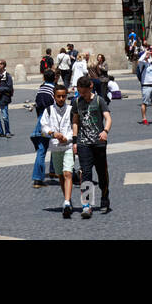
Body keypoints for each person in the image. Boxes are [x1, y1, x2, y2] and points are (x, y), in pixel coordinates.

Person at [72, 74, 112, 217]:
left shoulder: (99, 100)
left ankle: (105, 197)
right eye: (79, 92)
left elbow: (108, 118)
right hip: (83, 143)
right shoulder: (77, 102)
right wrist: (75, 141)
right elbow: (75, 121)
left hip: (99, 143)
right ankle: (86, 205)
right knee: (86, 173)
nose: (82, 95)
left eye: (84, 92)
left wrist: (105, 131)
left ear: (90, 87)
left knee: (102, 173)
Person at [40, 83, 77, 218]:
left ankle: (66, 202)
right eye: (58, 96)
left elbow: (75, 126)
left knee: (68, 173)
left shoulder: (72, 109)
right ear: (54, 97)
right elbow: (43, 127)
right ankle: (67, 198)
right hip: (55, 147)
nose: (61, 99)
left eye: (63, 96)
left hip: (67, 145)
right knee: (61, 175)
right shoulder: (49, 110)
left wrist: (67, 138)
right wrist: (52, 133)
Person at [30, 68, 55, 186]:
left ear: (44, 78)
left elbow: (37, 105)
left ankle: (37, 179)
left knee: (41, 150)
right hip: (52, 121)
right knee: (57, 146)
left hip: (41, 120)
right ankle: (54, 171)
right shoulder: (53, 90)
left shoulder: (40, 90)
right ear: (54, 78)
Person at [0, 59, 14, 138]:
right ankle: (0, 131)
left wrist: (0, 89)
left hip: (4, 99)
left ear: (3, 65)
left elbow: (9, 88)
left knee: (5, 116)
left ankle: (7, 131)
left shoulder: (7, 76)